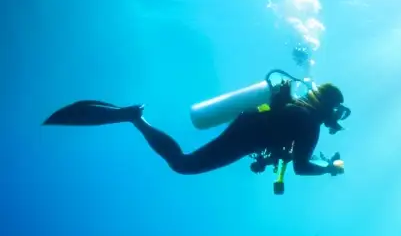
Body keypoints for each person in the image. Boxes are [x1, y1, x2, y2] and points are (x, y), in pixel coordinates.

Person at [43, 81, 350, 177]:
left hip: (247, 124)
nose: (335, 116)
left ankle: (133, 118)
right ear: (328, 106)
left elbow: (275, 127)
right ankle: (134, 118)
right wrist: (328, 169)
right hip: (248, 136)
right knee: (183, 164)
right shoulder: (310, 124)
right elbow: (299, 168)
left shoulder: (295, 106)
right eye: (336, 110)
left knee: (185, 163)